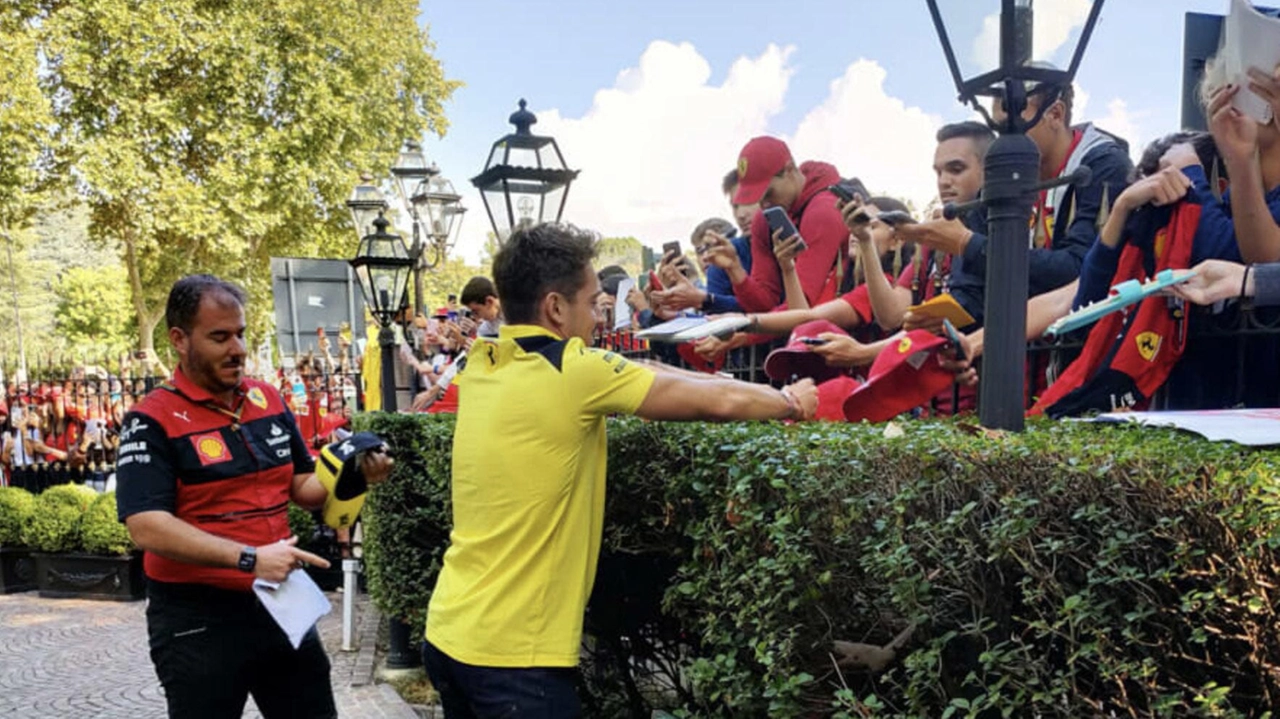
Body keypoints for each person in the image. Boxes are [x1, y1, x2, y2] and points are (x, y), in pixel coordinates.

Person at [421, 223, 818, 718]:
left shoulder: (485, 361)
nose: (600, 313)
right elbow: (715, 402)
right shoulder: (572, 371)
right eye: (591, 302)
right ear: (555, 308)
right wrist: (789, 401)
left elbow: (644, 371)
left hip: (450, 633)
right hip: (515, 662)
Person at [115, 274, 394, 719]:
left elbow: (304, 490)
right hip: (196, 617)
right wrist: (248, 558)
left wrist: (357, 473)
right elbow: (146, 525)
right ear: (179, 340)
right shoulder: (151, 419)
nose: (238, 349)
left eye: (241, 334)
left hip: (280, 598)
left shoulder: (266, 399)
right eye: (220, 337)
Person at [899, 77, 1133, 325]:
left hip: (1080, 345)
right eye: (1000, 128)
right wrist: (942, 322)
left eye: (1015, 126)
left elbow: (1082, 269)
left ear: (1055, 113)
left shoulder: (1105, 166)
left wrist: (969, 244)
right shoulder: (998, 179)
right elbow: (972, 295)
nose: (1004, 139)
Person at [705, 136, 850, 312]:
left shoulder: (824, 210)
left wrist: (747, 330)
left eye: (768, 193)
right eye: (758, 198)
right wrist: (736, 271)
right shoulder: (765, 219)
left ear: (789, 170)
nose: (764, 204)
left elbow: (802, 309)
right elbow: (765, 303)